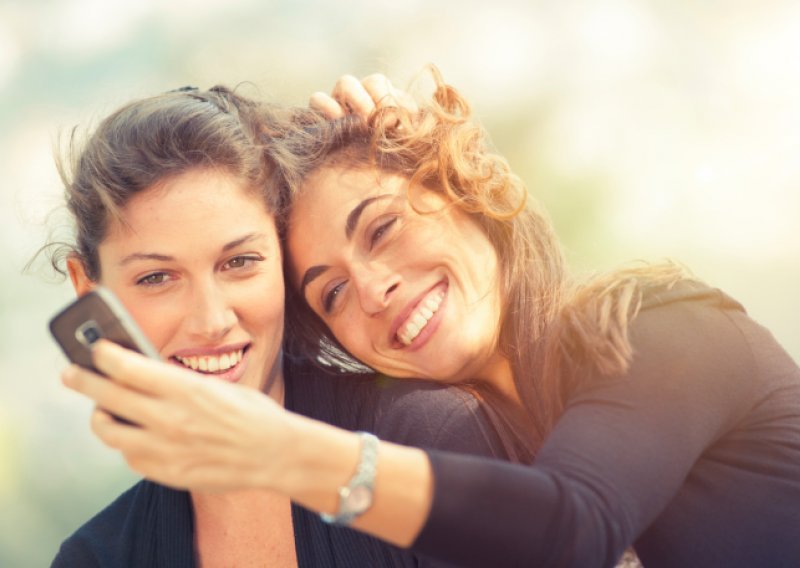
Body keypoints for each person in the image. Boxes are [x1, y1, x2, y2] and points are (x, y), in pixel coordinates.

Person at [63, 71, 800, 568]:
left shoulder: (667, 333)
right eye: (331, 294)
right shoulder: (490, 451)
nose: (375, 289)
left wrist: (277, 451)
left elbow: (574, 524)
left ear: (464, 187)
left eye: (382, 228)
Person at [48, 84, 512, 567]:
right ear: (87, 287)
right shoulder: (96, 558)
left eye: (240, 262)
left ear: (285, 259)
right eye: (157, 277)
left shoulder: (426, 437)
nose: (212, 321)